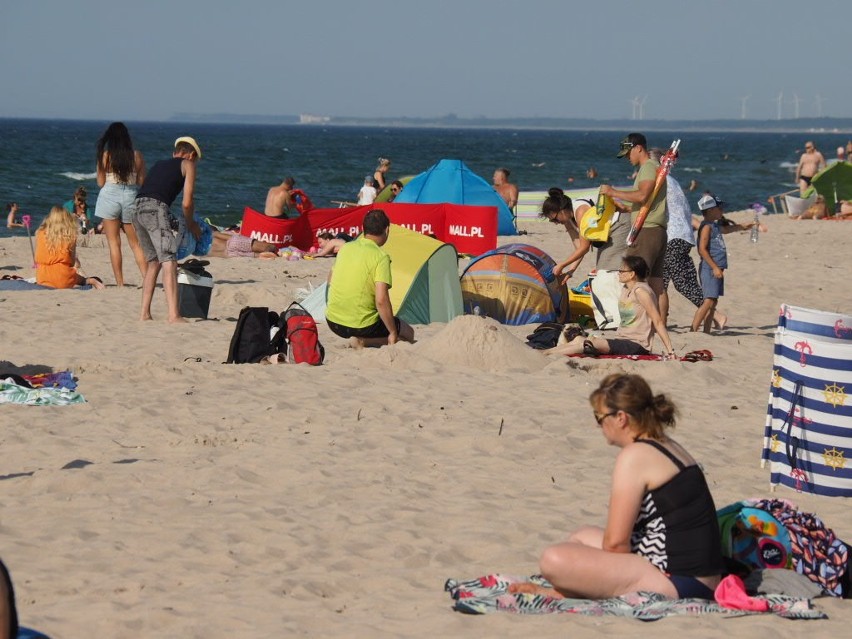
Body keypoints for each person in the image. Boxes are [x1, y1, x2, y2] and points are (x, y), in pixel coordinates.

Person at [509, 373, 723, 600]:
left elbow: (616, 544)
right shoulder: (665, 445)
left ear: (621, 418)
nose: (598, 425)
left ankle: (569, 592)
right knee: (581, 536)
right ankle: (573, 588)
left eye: (599, 417)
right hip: (699, 574)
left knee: (553, 560)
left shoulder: (635, 456)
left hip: (679, 580)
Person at [648, 148, 727, 330]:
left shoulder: (660, 182)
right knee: (661, 283)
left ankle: (718, 316)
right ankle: (661, 323)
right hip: (680, 236)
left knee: (683, 284)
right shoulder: (672, 181)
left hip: (673, 237)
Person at [547, 255, 676, 359]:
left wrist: (670, 351)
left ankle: (548, 354)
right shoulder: (626, 289)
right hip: (622, 340)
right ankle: (546, 352)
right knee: (579, 339)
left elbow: (658, 321)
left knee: (590, 343)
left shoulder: (641, 292)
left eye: (622, 271)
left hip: (637, 345)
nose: (618, 273)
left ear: (632, 274)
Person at [132, 136, 202, 323]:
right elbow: (187, 203)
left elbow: (149, 189)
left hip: (137, 209)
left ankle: (144, 314)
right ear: (191, 155)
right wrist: (191, 225)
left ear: (175, 152)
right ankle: (174, 315)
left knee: (153, 262)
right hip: (155, 208)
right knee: (169, 259)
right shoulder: (189, 164)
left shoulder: (160, 164)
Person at [325, 209, 415, 348]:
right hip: (360, 326)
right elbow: (381, 300)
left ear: (363, 229)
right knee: (408, 333)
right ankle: (364, 341)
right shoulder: (381, 257)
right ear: (387, 230)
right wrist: (392, 331)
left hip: (332, 321)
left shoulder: (346, 248)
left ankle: (362, 338)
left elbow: (330, 281)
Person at [600, 133, 668, 302]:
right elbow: (647, 202)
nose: (627, 158)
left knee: (632, 277)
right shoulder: (653, 167)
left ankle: (644, 324)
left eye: (628, 153)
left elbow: (642, 196)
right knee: (656, 285)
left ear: (638, 148)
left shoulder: (647, 167)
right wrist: (626, 208)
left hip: (646, 230)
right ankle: (658, 325)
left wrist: (612, 191)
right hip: (657, 230)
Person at [691, 194, 763, 333]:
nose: (722, 211)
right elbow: (701, 249)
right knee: (708, 301)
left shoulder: (715, 225)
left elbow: (728, 229)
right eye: (720, 208)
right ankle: (693, 330)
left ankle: (706, 331)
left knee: (713, 302)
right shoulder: (706, 226)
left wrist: (746, 226)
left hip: (717, 268)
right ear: (711, 210)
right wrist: (714, 267)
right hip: (710, 268)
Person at [94, 122, 147, 286]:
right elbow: (141, 181)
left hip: (110, 195)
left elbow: (100, 182)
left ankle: (120, 283)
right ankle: (147, 279)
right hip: (130, 196)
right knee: (136, 243)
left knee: (114, 243)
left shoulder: (106, 156)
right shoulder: (136, 155)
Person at [540, 187, 628, 280]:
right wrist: (570, 271)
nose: (556, 222)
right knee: (604, 270)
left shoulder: (581, 211)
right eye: (552, 221)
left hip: (618, 225)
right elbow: (579, 248)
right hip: (607, 234)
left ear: (562, 210)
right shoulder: (568, 219)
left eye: (555, 218)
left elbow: (584, 248)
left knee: (606, 271)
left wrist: (562, 264)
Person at [34, 206, 104, 289]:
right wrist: (76, 264)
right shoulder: (70, 236)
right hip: (63, 278)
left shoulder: (40, 233)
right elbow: (71, 262)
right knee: (78, 278)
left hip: (42, 277)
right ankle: (92, 281)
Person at [206, 231, 278, 258]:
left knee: (257, 255)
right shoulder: (210, 234)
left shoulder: (201, 248)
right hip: (233, 243)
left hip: (230, 254)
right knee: (270, 247)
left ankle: (268, 254)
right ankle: (272, 251)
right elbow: (218, 234)